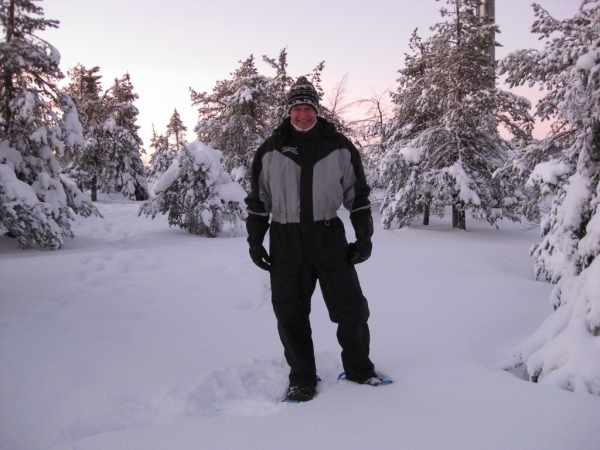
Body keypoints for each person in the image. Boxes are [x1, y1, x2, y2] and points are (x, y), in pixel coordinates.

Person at [245, 76, 387, 403]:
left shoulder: (337, 146)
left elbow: (358, 195)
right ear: (288, 111)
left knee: (351, 309)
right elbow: (258, 201)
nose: (302, 115)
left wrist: (363, 236)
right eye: (297, 108)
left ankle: (359, 369)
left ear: (317, 110)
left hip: (328, 237)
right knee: (291, 315)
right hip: (286, 239)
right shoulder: (270, 150)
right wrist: (256, 241)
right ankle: (302, 378)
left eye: (308, 108)